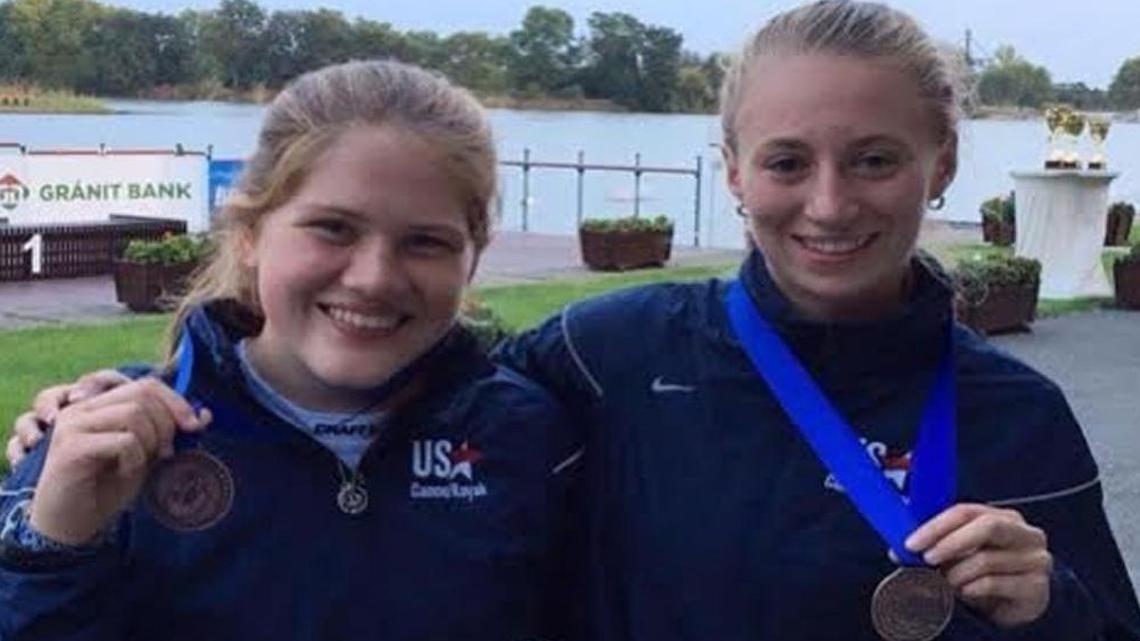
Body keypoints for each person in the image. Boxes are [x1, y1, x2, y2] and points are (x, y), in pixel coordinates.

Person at [8, 2, 1140, 640]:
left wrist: (1053, 607)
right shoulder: (603, 359)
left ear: (941, 163)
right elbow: (370, 369)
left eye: (877, 159)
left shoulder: (1017, 412)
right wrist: (56, 472)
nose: (831, 202)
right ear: (735, 171)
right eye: (789, 159)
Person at [0, 59, 581, 640]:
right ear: (249, 234)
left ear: (472, 260)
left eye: (425, 242)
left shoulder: (528, 437)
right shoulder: (105, 441)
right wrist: (54, 549)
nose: (373, 278)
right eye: (333, 228)